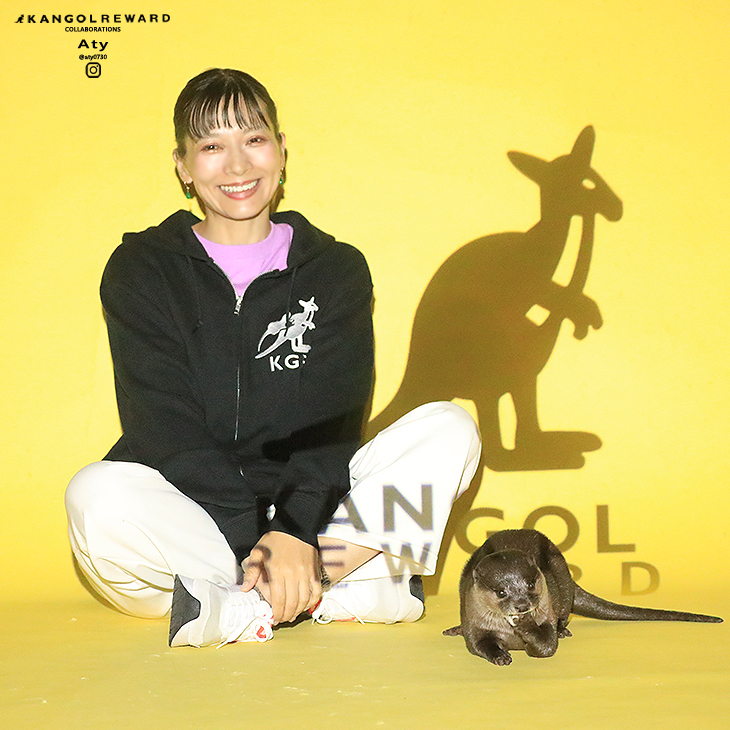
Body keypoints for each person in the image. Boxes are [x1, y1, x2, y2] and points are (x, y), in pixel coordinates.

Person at [65, 68, 481, 648]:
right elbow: (161, 424)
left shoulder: (335, 269)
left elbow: (334, 420)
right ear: (183, 166)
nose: (237, 166)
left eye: (254, 139)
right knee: (95, 495)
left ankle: (236, 606)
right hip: (194, 518)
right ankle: (331, 591)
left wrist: (293, 530)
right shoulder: (142, 269)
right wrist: (255, 543)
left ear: (282, 152)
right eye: (212, 146)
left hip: (314, 520)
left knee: (449, 428)